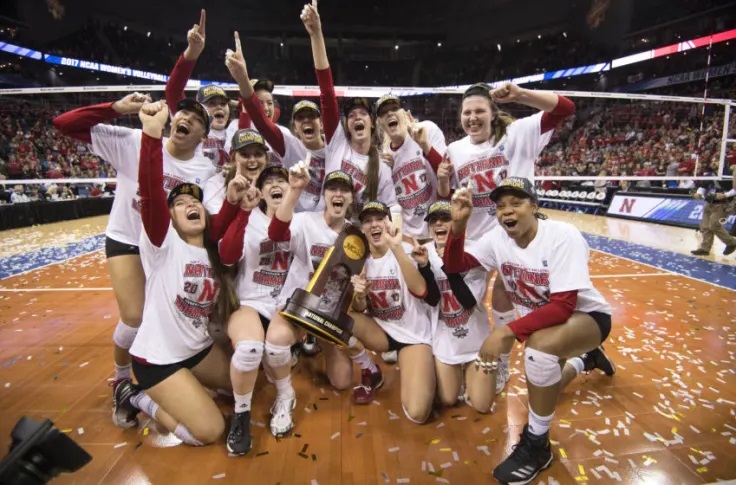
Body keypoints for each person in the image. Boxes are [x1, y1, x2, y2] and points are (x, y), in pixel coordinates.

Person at [53, 95, 236, 427]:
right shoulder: (135, 141)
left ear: (203, 137)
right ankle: (124, 380)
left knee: (179, 310)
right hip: (129, 239)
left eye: (197, 120)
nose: (187, 119)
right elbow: (63, 125)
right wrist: (116, 108)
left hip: (170, 247)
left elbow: (212, 221)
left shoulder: (204, 170)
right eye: (183, 113)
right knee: (136, 316)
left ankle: (177, 373)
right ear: (170, 120)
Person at [442, 178, 615, 484]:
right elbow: (456, 265)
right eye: (500, 206)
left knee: (538, 351)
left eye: (516, 203)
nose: (507, 210)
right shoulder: (498, 239)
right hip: (548, 324)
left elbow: (563, 306)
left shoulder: (562, 236)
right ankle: (584, 361)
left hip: (586, 316)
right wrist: (458, 227)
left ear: (534, 206)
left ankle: (538, 445)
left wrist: (504, 332)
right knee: (543, 389)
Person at [112, 100, 252, 447]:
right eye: (179, 203)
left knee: (246, 385)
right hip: (158, 359)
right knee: (210, 431)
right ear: (169, 217)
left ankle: (185, 386)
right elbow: (149, 190)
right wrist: (151, 135)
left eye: (195, 201)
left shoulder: (208, 246)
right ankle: (138, 396)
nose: (191, 204)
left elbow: (221, 225)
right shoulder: (161, 243)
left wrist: (234, 201)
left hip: (196, 349)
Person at [444, 81, 575, 393]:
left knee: (508, 292)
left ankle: (500, 362)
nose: (472, 117)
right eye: (467, 113)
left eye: (479, 111)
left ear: (493, 113)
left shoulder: (519, 132)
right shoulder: (455, 150)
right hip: (477, 241)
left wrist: (521, 95)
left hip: (514, 234)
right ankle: (466, 354)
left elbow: (565, 108)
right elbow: (446, 192)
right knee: (464, 299)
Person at [218, 164, 300, 448]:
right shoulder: (250, 217)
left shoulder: (299, 221)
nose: (276, 184)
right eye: (269, 182)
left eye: (282, 180)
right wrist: (241, 213)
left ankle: (285, 394)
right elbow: (228, 257)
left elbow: (280, 230)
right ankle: (242, 415)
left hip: (285, 304)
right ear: (262, 192)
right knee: (248, 349)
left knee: (276, 346)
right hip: (250, 302)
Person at [301, 1, 396, 218]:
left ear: (372, 123)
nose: (357, 117)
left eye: (363, 113)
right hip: (323, 226)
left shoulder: (381, 167)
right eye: (351, 115)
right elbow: (326, 92)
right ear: (346, 126)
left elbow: (391, 207)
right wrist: (316, 34)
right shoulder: (337, 144)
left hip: (355, 239)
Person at [345, 201, 438, 423]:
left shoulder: (404, 250)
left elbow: (421, 290)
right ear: (362, 228)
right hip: (383, 331)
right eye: (367, 221)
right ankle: (370, 370)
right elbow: (360, 309)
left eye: (379, 219)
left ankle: (426, 365)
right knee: (336, 319)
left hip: (414, 337)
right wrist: (359, 295)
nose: (374, 224)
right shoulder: (360, 261)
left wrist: (396, 248)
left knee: (417, 414)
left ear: (388, 223)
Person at [225, 31, 327, 213]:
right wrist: (242, 78)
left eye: (311, 117)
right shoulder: (289, 144)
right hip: (292, 220)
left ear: (321, 122)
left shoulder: (335, 147)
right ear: (294, 126)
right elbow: (261, 121)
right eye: (300, 118)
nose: (306, 121)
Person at [420, 201, 495, 413]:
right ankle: (459, 375)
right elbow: (432, 299)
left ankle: (474, 374)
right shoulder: (423, 252)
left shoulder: (472, 252)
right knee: (447, 399)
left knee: (482, 406)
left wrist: (448, 263)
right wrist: (425, 267)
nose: (439, 223)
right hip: (446, 339)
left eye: (445, 218)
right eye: (433, 220)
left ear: (457, 223)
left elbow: (469, 301)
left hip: (476, 339)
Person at [164, 10, 241, 173]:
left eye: (223, 103)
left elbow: (264, 112)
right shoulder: (192, 127)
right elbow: (173, 90)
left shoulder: (236, 129)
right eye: (212, 103)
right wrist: (192, 53)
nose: (219, 107)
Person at [375, 95, 446, 238]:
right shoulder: (385, 158)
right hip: (410, 237)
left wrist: (425, 145)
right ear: (380, 123)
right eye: (384, 112)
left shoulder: (427, 130)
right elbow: (391, 204)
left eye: (395, 108)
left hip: (439, 227)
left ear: (405, 113)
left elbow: (447, 174)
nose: (390, 113)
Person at [202, 129, 269, 214]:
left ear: (266, 159)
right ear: (232, 158)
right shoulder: (216, 184)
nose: (252, 160)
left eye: (258, 154)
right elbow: (217, 226)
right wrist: (232, 202)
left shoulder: (275, 184)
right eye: (245, 155)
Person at [691, 165, 736, 256]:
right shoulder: (710, 174)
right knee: (705, 226)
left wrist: (725, 195)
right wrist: (699, 193)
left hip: (724, 203)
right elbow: (703, 186)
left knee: (714, 225)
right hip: (710, 201)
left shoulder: (729, 173)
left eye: (715, 160)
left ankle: (731, 243)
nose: (712, 162)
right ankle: (705, 248)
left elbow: (735, 189)